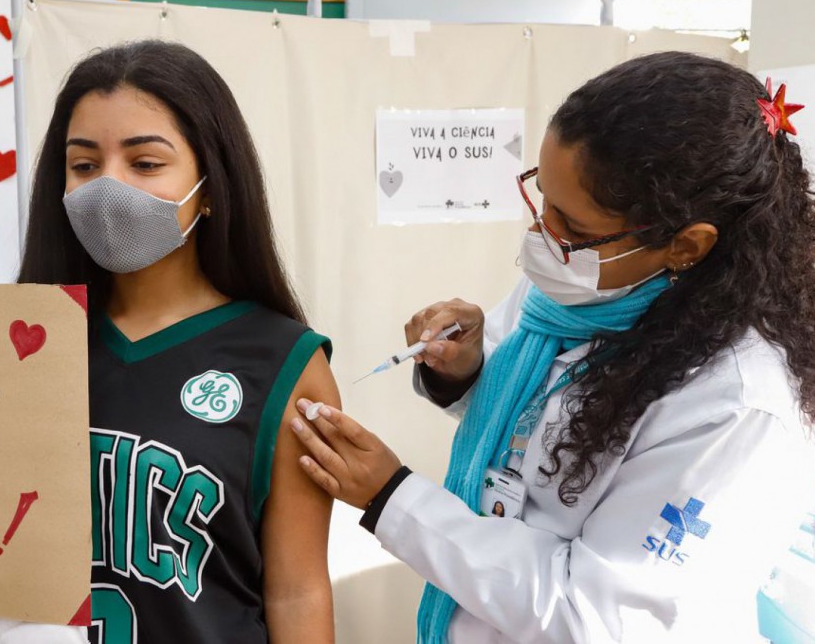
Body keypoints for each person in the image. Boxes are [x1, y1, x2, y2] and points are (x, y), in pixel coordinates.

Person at [0, 40, 339, 644]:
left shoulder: (285, 362)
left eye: (145, 163)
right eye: (85, 166)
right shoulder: (4, 350)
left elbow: (297, 590)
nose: (106, 188)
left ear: (213, 183)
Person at [288, 52, 815, 642]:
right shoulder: (584, 287)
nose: (543, 237)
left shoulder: (736, 406)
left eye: (574, 227)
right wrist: (468, 373)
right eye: (543, 199)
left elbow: (591, 616)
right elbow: (547, 429)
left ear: (686, 246)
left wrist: (392, 498)